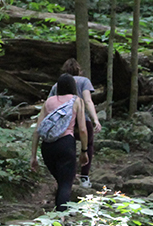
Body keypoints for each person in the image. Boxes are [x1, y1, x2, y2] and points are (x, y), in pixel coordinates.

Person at [30, 73, 89, 211]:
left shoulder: (48, 102)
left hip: (47, 147)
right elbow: (82, 129)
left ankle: (58, 213)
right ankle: (61, 218)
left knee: (62, 182)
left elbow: (38, 130)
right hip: (66, 144)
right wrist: (84, 151)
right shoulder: (76, 101)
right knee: (65, 184)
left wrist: (33, 156)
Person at [49, 59, 102, 187]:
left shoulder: (57, 85)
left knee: (68, 146)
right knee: (88, 145)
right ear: (79, 69)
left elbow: (50, 105)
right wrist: (95, 119)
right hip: (82, 119)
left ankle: (68, 177)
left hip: (64, 122)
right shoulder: (84, 81)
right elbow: (88, 101)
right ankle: (84, 177)